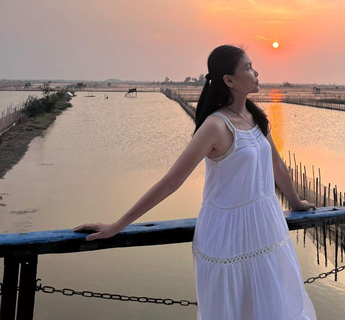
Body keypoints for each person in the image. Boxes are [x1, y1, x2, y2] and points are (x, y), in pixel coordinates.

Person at [74, 45, 317, 320]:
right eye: (248, 67)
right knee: (234, 310)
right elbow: (170, 182)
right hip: (227, 234)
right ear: (229, 80)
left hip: (265, 226)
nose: (256, 72)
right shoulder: (215, 126)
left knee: (273, 305)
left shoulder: (256, 117)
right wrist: (118, 225)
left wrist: (296, 202)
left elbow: (277, 166)